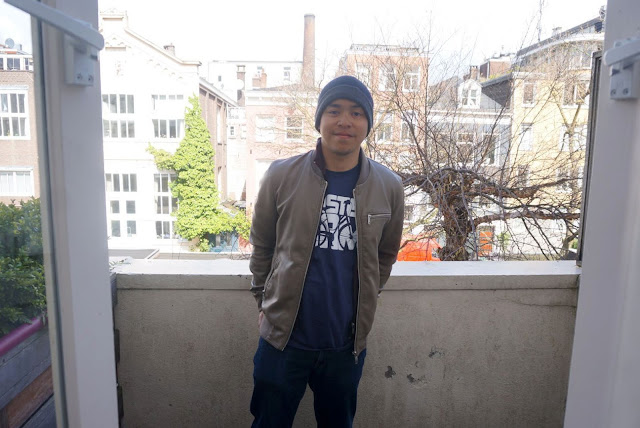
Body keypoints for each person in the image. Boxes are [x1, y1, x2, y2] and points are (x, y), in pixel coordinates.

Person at [249, 75, 404, 428]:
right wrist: (263, 302)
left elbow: (385, 256)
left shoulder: (389, 186)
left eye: (356, 113)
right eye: (334, 111)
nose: (345, 121)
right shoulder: (281, 175)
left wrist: (366, 301)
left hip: (345, 346)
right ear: (319, 119)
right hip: (283, 340)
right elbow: (263, 245)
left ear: (367, 124)